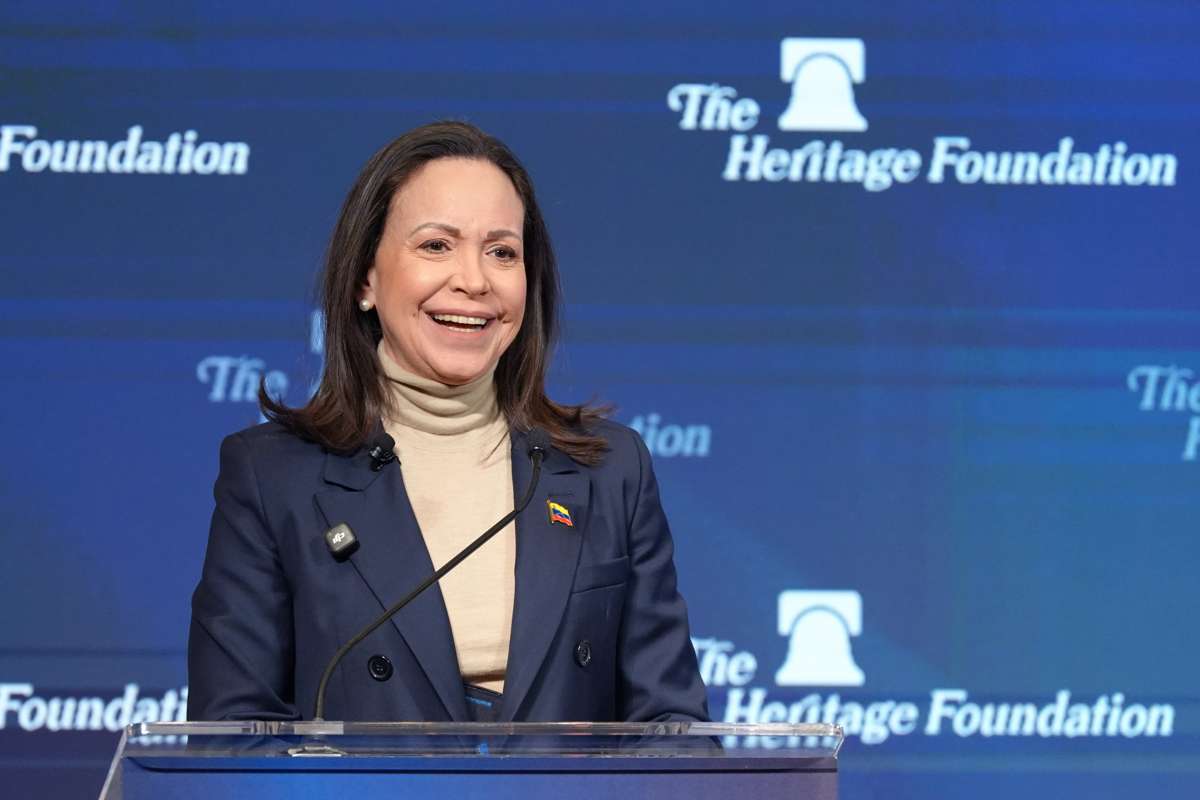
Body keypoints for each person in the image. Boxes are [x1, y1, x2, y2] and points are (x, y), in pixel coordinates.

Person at [187, 121, 709, 724]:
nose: (474, 280)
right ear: (364, 279)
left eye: (502, 252)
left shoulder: (609, 468)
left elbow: (673, 729)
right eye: (436, 246)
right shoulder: (272, 476)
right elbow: (232, 738)